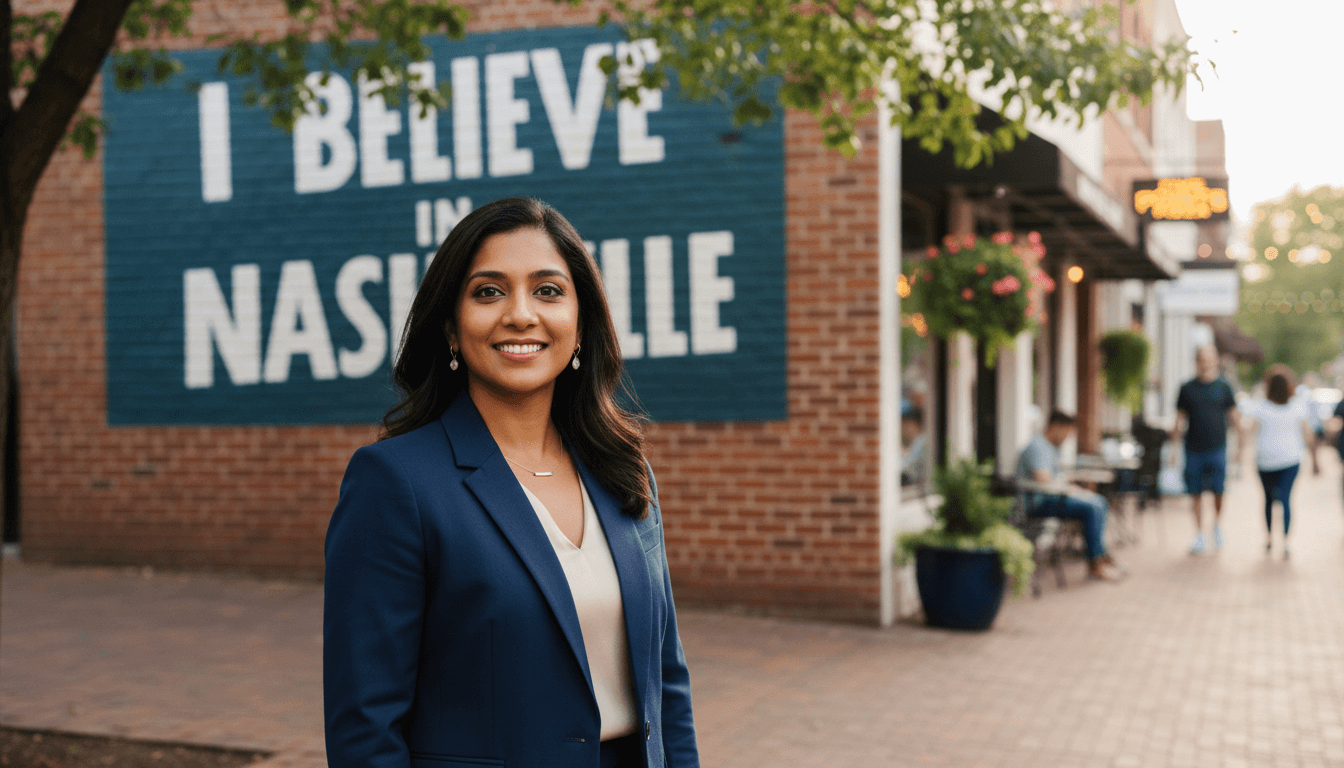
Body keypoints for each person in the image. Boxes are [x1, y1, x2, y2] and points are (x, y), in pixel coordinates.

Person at [324, 198, 699, 768]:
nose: (520, 314)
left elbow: (667, 684)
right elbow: (365, 726)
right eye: (488, 292)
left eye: (548, 291)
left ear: (580, 325)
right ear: (451, 327)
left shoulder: (623, 470)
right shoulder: (396, 484)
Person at [1016, 410, 1124, 581]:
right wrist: (1074, 490)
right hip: (1038, 502)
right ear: (1056, 427)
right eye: (1067, 432)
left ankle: (1099, 556)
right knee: (1092, 507)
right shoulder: (1037, 446)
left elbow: (1056, 478)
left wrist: (1075, 484)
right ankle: (1094, 562)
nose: (1068, 437)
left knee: (1099, 502)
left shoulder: (1050, 448)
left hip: (1053, 498)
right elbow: (1044, 480)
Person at [1241, 366, 1319, 559]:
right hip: (1287, 461)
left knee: (1270, 500)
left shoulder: (1263, 407)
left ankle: (1272, 538)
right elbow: (1308, 436)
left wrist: (1240, 452)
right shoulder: (1295, 406)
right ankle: (1282, 540)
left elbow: (1249, 432)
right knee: (1284, 499)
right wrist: (1315, 460)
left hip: (1269, 462)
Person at [1172, 346, 1241, 555]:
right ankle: (1199, 533)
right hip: (1193, 449)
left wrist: (1240, 444)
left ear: (1215, 360)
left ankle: (1217, 526)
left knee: (1219, 492)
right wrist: (1173, 449)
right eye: (1202, 359)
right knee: (1195, 493)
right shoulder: (1186, 388)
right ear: (1196, 361)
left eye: (1209, 359)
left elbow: (1234, 417)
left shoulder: (1224, 387)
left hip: (1217, 448)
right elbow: (1179, 419)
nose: (1206, 363)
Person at [900, 406, 928, 487]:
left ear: (913, 425)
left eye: (904, 425)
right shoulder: (916, 443)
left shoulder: (921, 443)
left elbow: (908, 470)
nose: (902, 429)